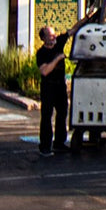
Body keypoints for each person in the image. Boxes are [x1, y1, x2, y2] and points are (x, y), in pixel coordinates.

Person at [36, 17, 83, 156]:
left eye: (54, 33)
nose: (54, 36)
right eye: (50, 35)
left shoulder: (59, 43)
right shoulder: (41, 53)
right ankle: (45, 145)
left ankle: (59, 142)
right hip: (48, 87)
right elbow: (44, 71)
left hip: (60, 85)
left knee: (62, 112)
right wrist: (58, 58)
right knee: (46, 116)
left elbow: (73, 30)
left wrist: (86, 18)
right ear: (44, 39)